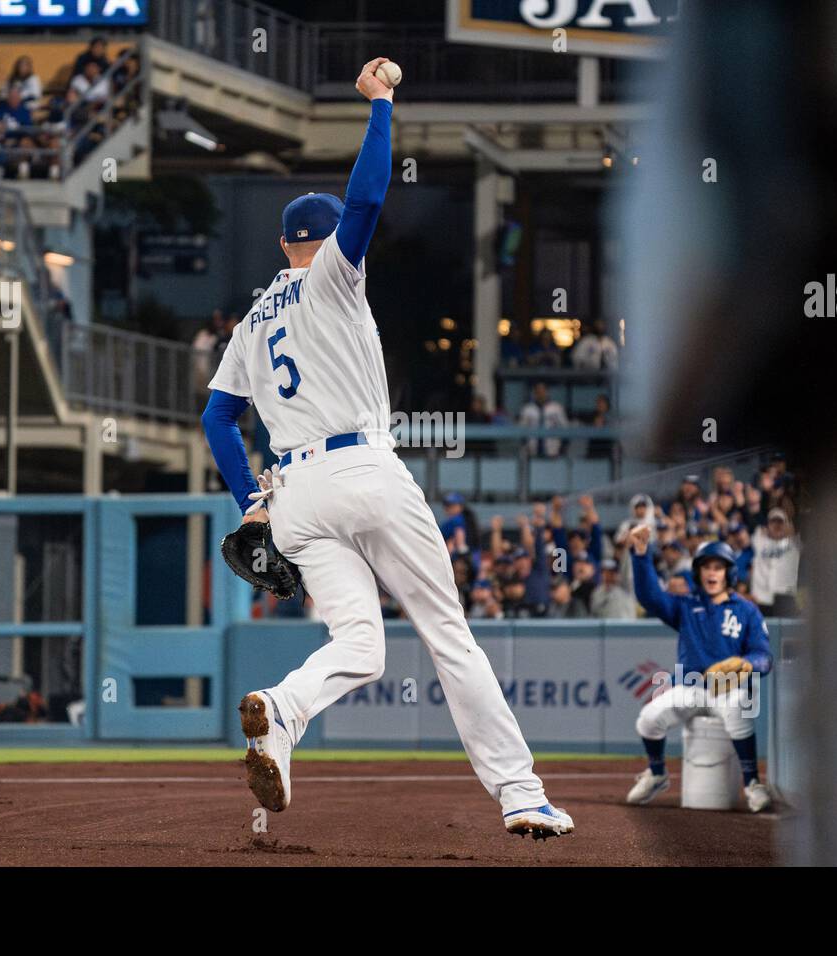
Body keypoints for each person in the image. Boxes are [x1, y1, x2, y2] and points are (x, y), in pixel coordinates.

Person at [201, 58, 572, 839]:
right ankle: (520, 794)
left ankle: (283, 711)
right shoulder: (336, 273)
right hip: (365, 469)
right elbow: (369, 195)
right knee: (448, 634)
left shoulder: (250, 323)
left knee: (361, 646)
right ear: (328, 238)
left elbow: (216, 420)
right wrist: (380, 105)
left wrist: (254, 505)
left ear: (278, 243)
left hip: (296, 496)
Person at [624, 528, 774, 813]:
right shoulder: (685, 605)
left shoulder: (747, 610)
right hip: (690, 685)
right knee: (648, 719)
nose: (712, 572)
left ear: (729, 573)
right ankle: (656, 773)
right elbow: (649, 597)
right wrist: (641, 555)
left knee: (739, 710)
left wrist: (748, 664)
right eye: (706, 566)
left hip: (728, 688)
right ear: (698, 572)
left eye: (718, 567)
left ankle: (753, 783)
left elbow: (764, 657)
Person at [751, 507, 801, 616]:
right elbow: (751, 520)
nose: (777, 525)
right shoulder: (759, 539)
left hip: (785, 598)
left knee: (788, 632)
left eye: (780, 522)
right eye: (773, 522)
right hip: (762, 599)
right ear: (767, 525)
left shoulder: (794, 542)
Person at [518, 381, 568, 457]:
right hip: (532, 451)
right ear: (534, 393)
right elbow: (521, 430)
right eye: (538, 391)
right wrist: (525, 447)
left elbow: (565, 428)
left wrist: (562, 449)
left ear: (547, 392)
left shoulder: (556, 408)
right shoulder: (527, 409)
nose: (540, 394)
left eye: (543, 391)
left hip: (553, 451)